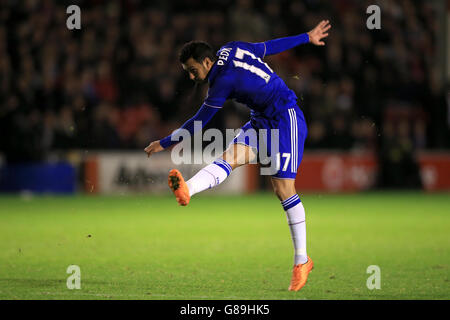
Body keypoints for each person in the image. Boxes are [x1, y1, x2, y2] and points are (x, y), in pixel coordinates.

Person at [145, 20, 331, 291]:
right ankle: (187, 190)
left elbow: (200, 121)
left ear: (207, 63)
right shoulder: (233, 48)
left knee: (283, 189)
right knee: (228, 158)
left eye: (193, 70)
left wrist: (165, 142)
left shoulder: (222, 82)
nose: (191, 77)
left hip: (284, 118)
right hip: (260, 120)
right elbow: (270, 46)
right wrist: (306, 36)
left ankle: (302, 260)